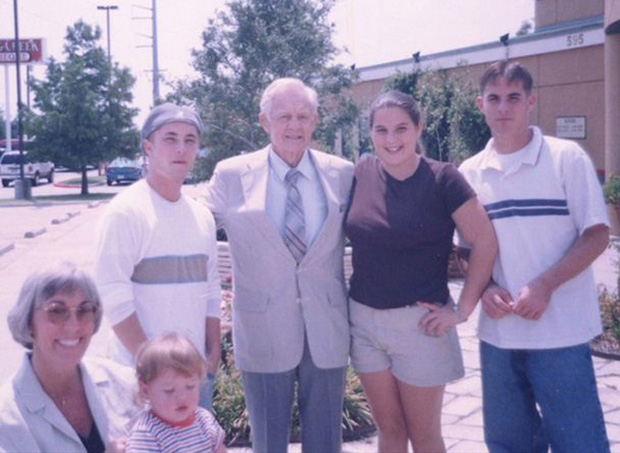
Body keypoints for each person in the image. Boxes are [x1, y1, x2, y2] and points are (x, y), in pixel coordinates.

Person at [459, 60, 610, 452]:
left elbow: (596, 235)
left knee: (579, 444)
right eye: (494, 98)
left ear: (531, 101)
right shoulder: (470, 172)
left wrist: (544, 284)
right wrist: (486, 287)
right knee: (510, 446)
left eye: (513, 97)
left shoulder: (566, 159)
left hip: (561, 334)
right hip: (499, 336)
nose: (503, 107)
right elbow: (465, 251)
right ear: (480, 104)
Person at [203, 77, 354, 453]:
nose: (294, 125)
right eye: (283, 116)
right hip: (261, 328)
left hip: (326, 328)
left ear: (315, 120)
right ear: (263, 121)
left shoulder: (343, 172)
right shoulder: (232, 174)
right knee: (268, 444)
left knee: (326, 444)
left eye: (303, 115)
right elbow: (194, 225)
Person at [344, 90, 497, 453]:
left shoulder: (444, 179)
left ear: (418, 128)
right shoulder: (361, 173)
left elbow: (485, 242)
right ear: (371, 134)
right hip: (363, 323)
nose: (391, 139)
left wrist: (461, 310)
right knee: (390, 433)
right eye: (381, 130)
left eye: (401, 128)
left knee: (424, 436)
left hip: (421, 325)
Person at [94, 102, 221, 410]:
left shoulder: (201, 215)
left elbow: (212, 291)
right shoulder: (126, 212)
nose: (181, 148)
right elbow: (113, 297)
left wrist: (212, 357)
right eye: (170, 138)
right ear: (147, 147)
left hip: (194, 380)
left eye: (190, 140)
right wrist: (151, 369)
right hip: (141, 381)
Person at [0, 262, 140, 453]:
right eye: (57, 311)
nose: (73, 326)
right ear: (29, 321)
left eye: (84, 310)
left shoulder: (129, 384)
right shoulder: (6, 417)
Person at [126, 332, 226, 453]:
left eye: (190, 387)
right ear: (146, 390)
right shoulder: (147, 433)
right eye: (169, 390)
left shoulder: (204, 421)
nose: (182, 397)